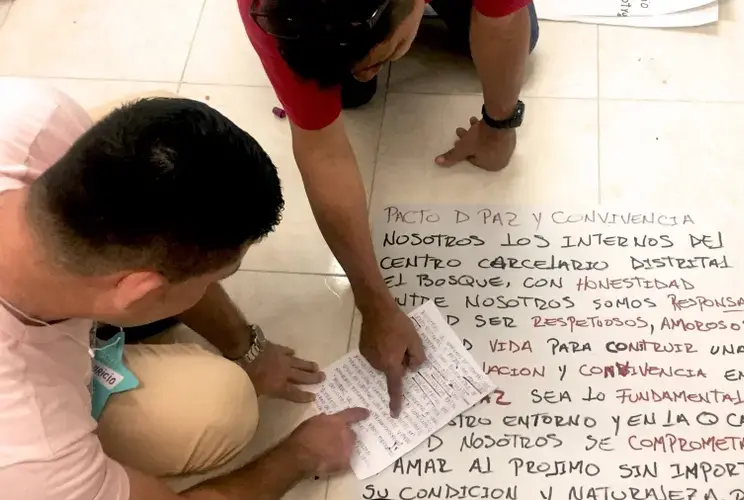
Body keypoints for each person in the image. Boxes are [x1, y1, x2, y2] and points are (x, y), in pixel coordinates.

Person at [0, 78, 368, 500]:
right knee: (218, 410)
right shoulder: (30, 445)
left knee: (179, 138)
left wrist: (246, 347)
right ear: (138, 290)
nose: (213, 287)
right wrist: (299, 456)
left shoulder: (34, 120)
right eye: (211, 280)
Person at [237, 0, 537, 414]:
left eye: (379, 58)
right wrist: (374, 304)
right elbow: (323, 152)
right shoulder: (274, 11)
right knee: (350, 93)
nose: (363, 70)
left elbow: (503, 21)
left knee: (517, 35)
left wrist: (499, 126)